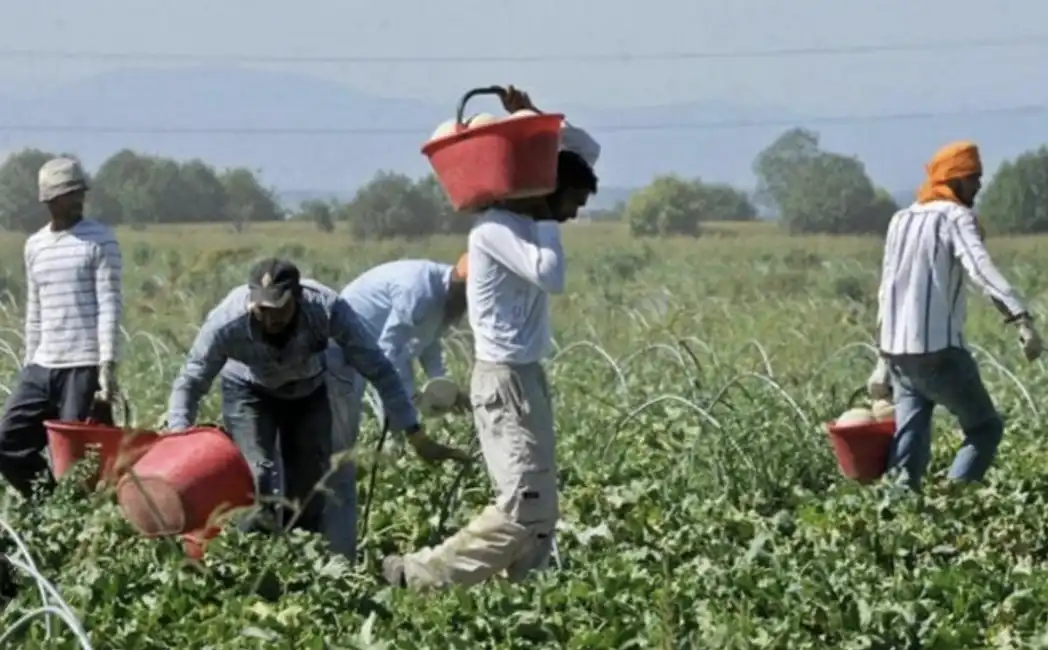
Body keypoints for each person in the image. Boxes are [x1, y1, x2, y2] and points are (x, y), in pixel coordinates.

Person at [382, 86, 600, 589]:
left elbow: (587, 152)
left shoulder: (526, 220)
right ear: (547, 191)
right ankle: (421, 575)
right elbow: (552, 276)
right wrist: (546, 218)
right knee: (523, 502)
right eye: (571, 202)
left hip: (526, 376)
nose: (573, 214)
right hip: (502, 380)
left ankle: (525, 597)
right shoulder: (495, 229)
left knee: (542, 507)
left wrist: (533, 119)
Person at [165, 258, 468, 537]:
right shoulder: (226, 323)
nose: (269, 320)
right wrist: (178, 438)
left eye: (278, 309)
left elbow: (379, 368)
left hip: (307, 392)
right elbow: (191, 381)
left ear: (297, 299)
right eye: (261, 310)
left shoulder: (326, 309)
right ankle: (253, 559)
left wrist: (414, 434)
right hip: (249, 392)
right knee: (259, 478)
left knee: (309, 491)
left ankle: (300, 565)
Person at [866, 140, 1043, 492]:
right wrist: (1021, 318)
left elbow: (888, 289)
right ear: (953, 181)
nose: (978, 185)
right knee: (984, 427)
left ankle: (898, 514)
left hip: (901, 355)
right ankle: (954, 499)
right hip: (939, 353)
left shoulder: (900, 219)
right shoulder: (955, 217)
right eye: (972, 178)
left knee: (910, 440)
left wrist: (883, 359)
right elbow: (980, 268)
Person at [324, 256, 471, 557]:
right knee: (344, 443)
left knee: (395, 427)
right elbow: (389, 354)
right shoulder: (418, 291)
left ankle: (384, 492)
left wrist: (443, 389)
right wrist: (410, 402)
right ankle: (336, 541)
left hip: (371, 351)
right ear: (462, 285)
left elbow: (429, 346)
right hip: (343, 351)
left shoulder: (443, 301)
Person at [0, 157, 122, 500]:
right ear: (49, 200)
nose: (76, 200)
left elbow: (110, 305)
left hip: (82, 366)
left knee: (78, 463)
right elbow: (34, 310)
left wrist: (107, 367)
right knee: (8, 442)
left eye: (78, 192)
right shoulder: (35, 246)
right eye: (68, 194)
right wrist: (28, 364)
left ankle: (76, 522)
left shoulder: (100, 240)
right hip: (43, 365)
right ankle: (49, 506)